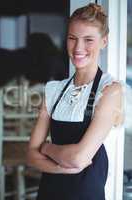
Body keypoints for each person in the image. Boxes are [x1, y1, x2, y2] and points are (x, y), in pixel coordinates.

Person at [27, 3, 124, 200]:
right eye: (72, 38)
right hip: (49, 191)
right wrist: (62, 167)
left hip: (84, 193)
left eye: (88, 40)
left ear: (104, 41)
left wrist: (46, 148)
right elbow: (30, 155)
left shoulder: (110, 90)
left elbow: (79, 158)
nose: (78, 48)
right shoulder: (54, 90)